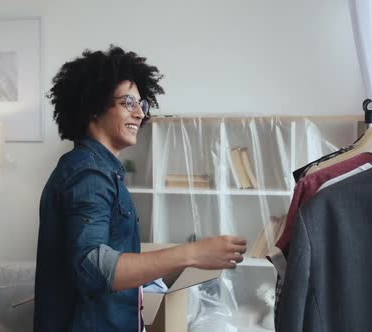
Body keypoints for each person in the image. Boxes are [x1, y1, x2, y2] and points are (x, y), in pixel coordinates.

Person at [34, 45, 247, 331]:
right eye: (128, 103)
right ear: (95, 106)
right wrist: (192, 253)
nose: (140, 115)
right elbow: (93, 268)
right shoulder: (89, 174)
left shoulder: (100, 171)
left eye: (142, 105)